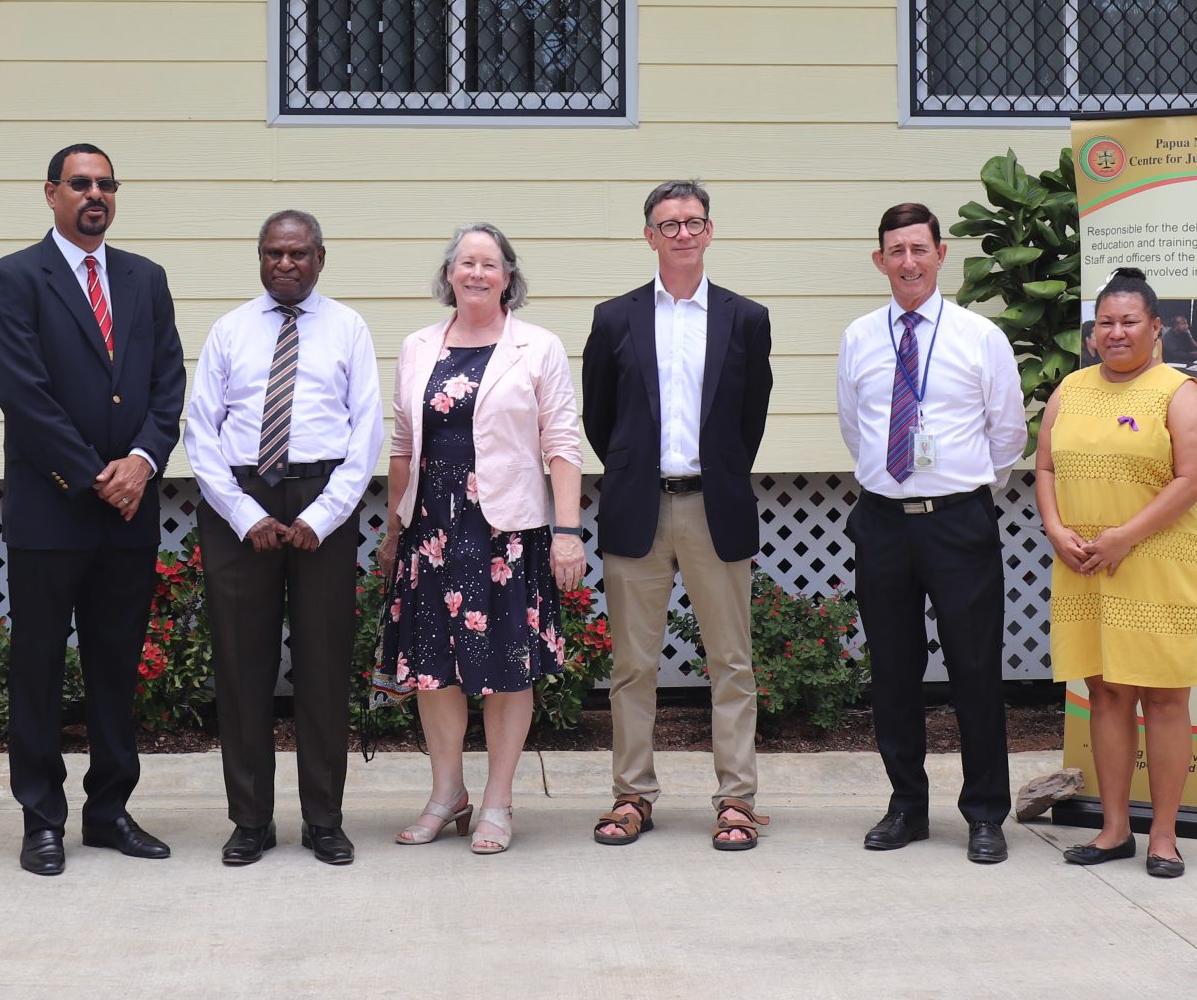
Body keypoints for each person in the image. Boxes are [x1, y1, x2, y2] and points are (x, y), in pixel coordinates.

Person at [0, 144, 185, 877]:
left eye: (105, 184)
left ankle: (109, 811)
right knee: (37, 665)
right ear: (51, 193)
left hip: (129, 510)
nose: (94, 194)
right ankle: (42, 816)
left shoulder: (145, 278)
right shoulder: (13, 278)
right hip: (53, 507)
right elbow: (23, 392)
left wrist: (143, 462)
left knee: (114, 666)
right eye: (80, 184)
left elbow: (168, 383)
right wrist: (92, 474)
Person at [373, 223, 584, 856]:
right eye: (465, 262)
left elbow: (563, 444)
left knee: (507, 667)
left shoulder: (538, 347)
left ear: (509, 277)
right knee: (432, 669)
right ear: (449, 275)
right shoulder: (417, 347)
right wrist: (393, 528)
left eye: (489, 263)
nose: (476, 273)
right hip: (431, 532)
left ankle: (497, 800)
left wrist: (568, 533)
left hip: (506, 533)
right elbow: (405, 446)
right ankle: (447, 795)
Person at [582, 180, 773, 851]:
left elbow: (751, 419)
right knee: (633, 666)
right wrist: (638, 469)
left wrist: (713, 472)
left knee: (732, 661)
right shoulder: (614, 319)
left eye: (693, 221)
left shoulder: (745, 318)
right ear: (650, 236)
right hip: (639, 507)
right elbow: (599, 418)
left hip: (714, 507)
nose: (683, 233)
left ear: (710, 231)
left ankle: (737, 800)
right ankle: (632, 795)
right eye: (669, 223)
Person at [187, 211, 381, 867]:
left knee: (324, 668)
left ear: (321, 258)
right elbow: (200, 431)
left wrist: (321, 517)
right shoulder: (229, 330)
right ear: (260, 257)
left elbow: (366, 434)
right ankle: (251, 821)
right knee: (243, 668)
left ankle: (324, 819)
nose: (286, 264)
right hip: (241, 504)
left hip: (321, 501)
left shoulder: (348, 327)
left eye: (299, 253)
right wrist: (246, 515)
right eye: (274, 253)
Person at [835, 203, 1026, 865]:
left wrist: (964, 489)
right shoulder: (860, 336)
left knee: (974, 669)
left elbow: (1008, 435)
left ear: (941, 254)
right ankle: (907, 806)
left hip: (957, 520)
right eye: (896, 250)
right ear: (880, 260)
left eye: (920, 248)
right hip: (884, 520)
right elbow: (854, 425)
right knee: (892, 670)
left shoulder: (979, 336)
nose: (908, 261)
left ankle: (983, 813)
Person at [1036, 268, 1197, 879]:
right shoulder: (1070, 388)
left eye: (1130, 322)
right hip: (1086, 564)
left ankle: (1164, 836)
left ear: (1154, 328)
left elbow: (1193, 480)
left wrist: (1124, 536)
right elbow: (1043, 469)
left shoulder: (1180, 392)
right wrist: (1054, 527)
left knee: (1164, 699)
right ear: (1093, 332)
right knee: (1107, 693)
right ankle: (1115, 827)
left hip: (1158, 565)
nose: (1116, 333)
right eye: (1106, 323)